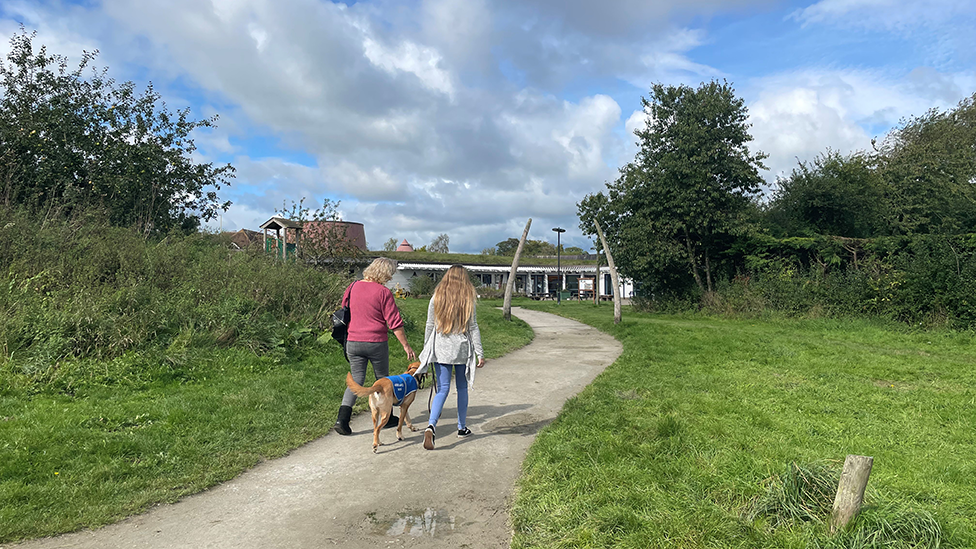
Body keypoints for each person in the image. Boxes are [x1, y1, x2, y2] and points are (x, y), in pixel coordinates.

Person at [334, 257, 416, 436]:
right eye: (390, 274)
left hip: (353, 341)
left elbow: (344, 310)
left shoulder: (352, 287)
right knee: (383, 379)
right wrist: (406, 346)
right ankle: (387, 418)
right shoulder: (383, 292)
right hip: (376, 343)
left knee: (356, 379)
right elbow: (394, 322)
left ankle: (342, 419)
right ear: (385, 273)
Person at [416, 265, 485, 450]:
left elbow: (429, 325)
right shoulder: (467, 299)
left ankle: (431, 425)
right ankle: (461, 427)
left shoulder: (436, 298)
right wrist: (480, 352)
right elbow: (473, 327)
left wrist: (426, 350)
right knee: (462, 388)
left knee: (442, 389)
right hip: (461, 349)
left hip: (440, 348)